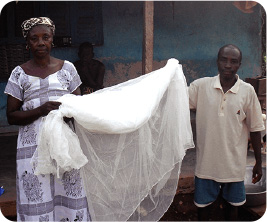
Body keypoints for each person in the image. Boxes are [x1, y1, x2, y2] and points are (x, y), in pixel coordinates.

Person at [5, 17, 91, 221]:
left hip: (65, 147)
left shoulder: (68, 69)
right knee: (37, 198)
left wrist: (69, 111)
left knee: (70, 195)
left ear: (53, 40)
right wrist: (40, 110)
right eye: (34, 39)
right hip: (32, 149)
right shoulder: (19, 74)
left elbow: (77, 108)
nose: (41, 42)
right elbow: (11, 116)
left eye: (46, 37)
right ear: (27, 43)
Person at [188, 44, 264, 221]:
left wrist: (258, 163)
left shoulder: (247, 91)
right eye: (224, 59)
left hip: (234, 167)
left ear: (239, 64)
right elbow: (176, 99)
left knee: (233, 209)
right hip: (206, 166)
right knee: (203, 210)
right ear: (217, 61)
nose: (228, 65)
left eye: (234, 61)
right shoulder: (200, 87)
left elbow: (255, 128)